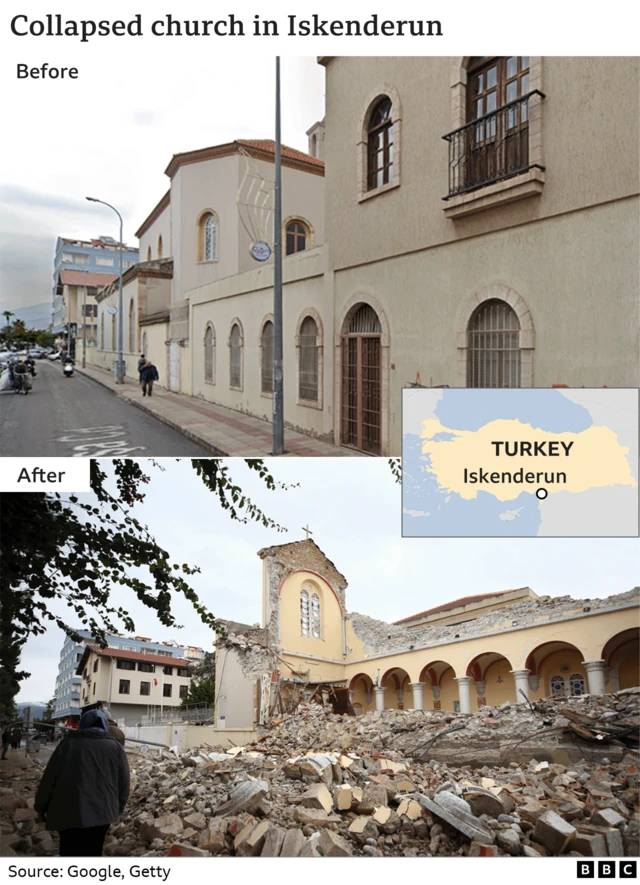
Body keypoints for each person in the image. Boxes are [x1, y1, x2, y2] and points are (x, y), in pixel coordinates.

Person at [34, 709, 129, 857]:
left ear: (82, 726)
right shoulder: (115, 748)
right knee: (93, 851)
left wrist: (40, 806)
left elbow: (49, 779)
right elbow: (123, 782)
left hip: (67, 812)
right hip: (102, 812)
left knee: (68, 850)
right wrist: (118, 807)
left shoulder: (67, 745)